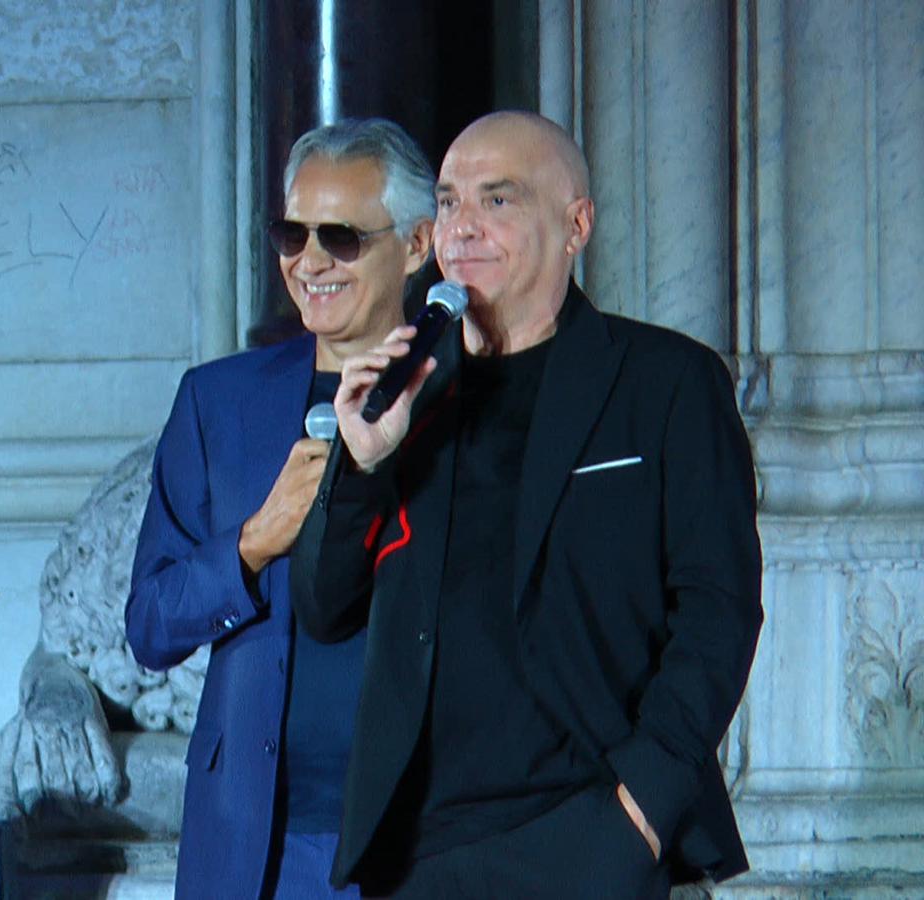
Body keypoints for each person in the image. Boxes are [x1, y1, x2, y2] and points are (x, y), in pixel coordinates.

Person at [289, 110, 763, 898]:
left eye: (497, 201)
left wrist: (638, 814)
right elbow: (324, 604)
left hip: (594, 837)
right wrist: (363, 462)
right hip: (418, 855)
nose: (462, 228)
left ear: (576, 226)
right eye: (448, 203)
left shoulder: (666, 382)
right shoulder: (407, 390)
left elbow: (718, 613)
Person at [127, 118, 436, 899]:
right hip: (254, 844)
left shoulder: (461, 399)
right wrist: (253, 544)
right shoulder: (218, 401)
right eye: (292, 236)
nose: (310, 261)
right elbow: (151, 625)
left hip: (422, 838)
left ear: (417, 244)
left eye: (341, 237)